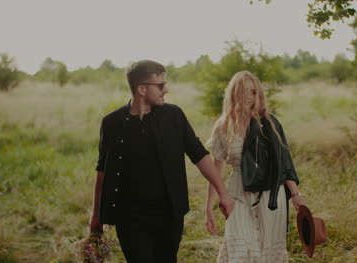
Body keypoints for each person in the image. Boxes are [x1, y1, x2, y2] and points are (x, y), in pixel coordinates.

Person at [89, 60, 235, 263]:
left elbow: (199, 154)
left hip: (170, 214)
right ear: (141, 88)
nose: (165, 90)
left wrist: (223, 193)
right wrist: (95, 218)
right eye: (160, 85)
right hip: (130, 217)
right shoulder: (112, 123)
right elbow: (102, 170)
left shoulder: (174, 116)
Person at [205, 71, 307, 262]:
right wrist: (208, 208)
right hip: (238, 195)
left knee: (269, 252)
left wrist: (295, 194)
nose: (249, 97)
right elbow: (215, 170)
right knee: (241, 251)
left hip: (270, 195)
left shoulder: (269, 123)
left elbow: (284, 163)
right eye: (244, 91)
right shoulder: (223, 126)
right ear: (234, 93)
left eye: (253, 92)